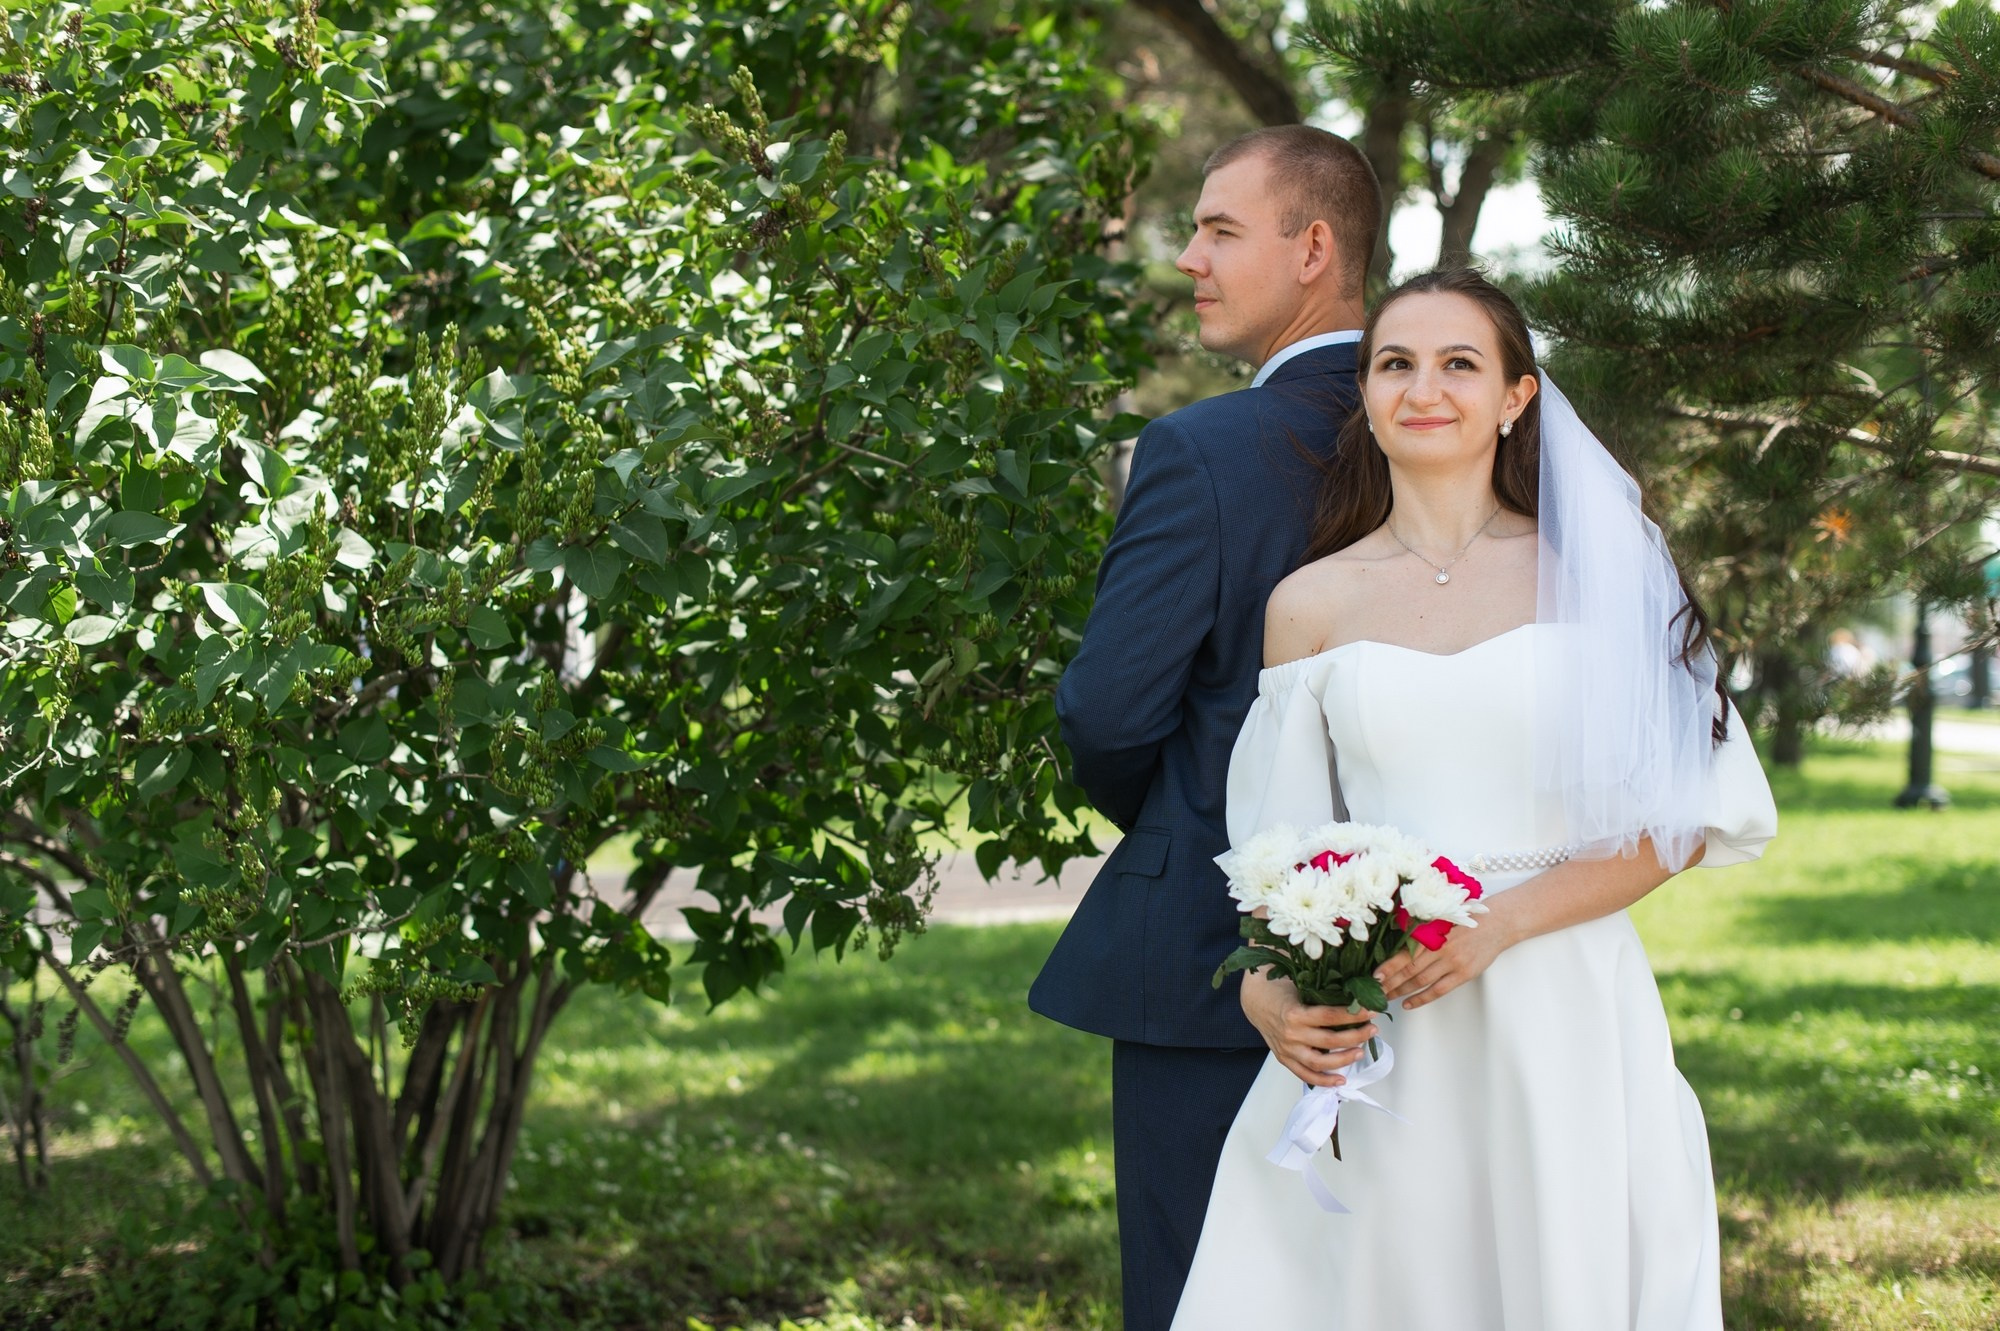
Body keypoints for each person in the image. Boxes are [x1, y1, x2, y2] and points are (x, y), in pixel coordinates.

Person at [1170, 267, 1779, 1329]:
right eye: (1394, 363)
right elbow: (1276, 847)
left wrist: (1497, 925)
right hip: (1387, 1013)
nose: (1423, 388)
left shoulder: (1597, 576)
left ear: (1514, 396)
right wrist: (1267, 993)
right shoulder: (1309, 603)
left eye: (1460, 363)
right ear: (1364, 393)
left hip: (1557, 997)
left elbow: (1678, 820)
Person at [1027, 124, 1384, 1331]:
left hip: (1209, 956)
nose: (1188, 257)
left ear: (1313, 249)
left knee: (1201, 1293)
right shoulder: (1482, 439)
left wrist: (1191, 821)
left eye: (1220, 229)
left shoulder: (1201, 449)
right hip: (1442, 943)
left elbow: (1108, 706)